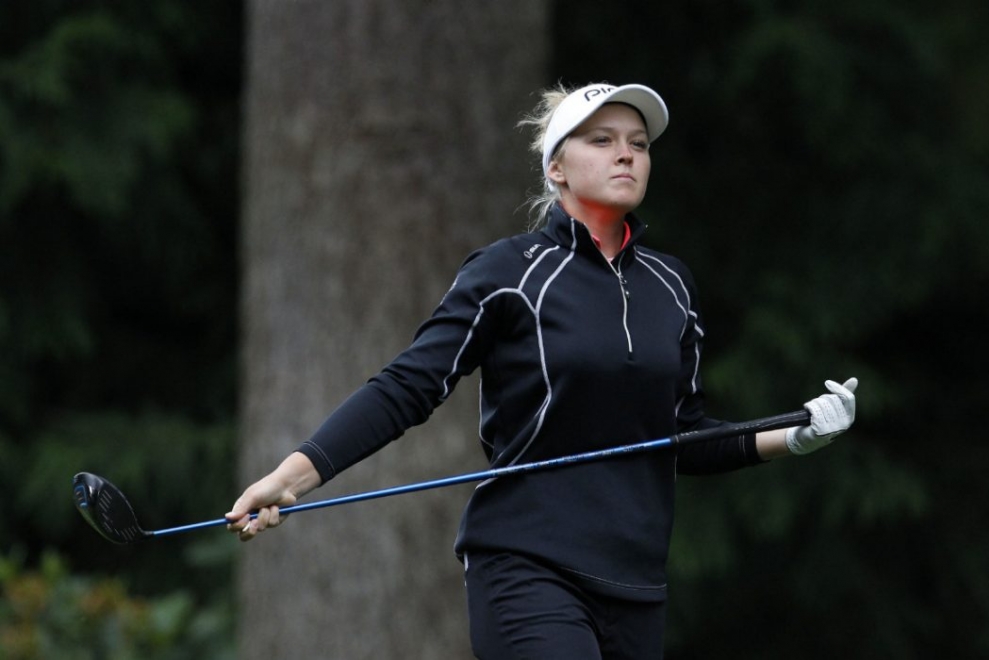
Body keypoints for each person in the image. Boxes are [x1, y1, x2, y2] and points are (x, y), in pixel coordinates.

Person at [226, 81, 858, 659]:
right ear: (556, 167)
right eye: (601, 140)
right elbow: (407, 387)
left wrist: (798, 436)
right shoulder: (508, 273)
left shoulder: (672, 286)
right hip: (526, 564)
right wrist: (293, 477)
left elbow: (682, 437)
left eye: (638, 144)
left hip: (636, 584)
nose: (626, 155)